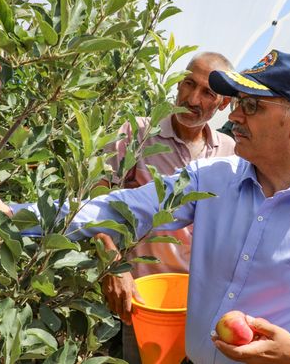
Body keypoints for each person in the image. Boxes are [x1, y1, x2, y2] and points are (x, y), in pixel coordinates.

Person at [0, 50, 290, 363]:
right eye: (237, 103)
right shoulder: (208, 179)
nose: (234, 116)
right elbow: (113, 209)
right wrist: (10, 212)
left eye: (252, 107)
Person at [100, 51, 236, 363]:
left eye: (208, 93)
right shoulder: (137, 134)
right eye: (189, 84)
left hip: (205, 306)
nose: (193, 99)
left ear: (224, 104)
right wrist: (113, 263)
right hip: (146, 301)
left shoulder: (230, 151)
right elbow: (100, 201)